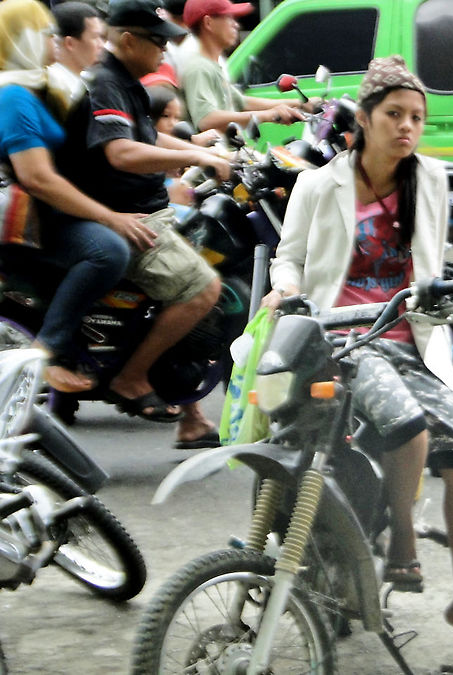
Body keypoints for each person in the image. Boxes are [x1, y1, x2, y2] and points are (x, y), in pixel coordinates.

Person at [262, 56, 453, 674]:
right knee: (407, 425)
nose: (407, 127)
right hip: (341, 343)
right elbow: (289, 258)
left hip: (406, 340)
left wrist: (437, 291)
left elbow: (428, 269)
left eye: (417, 117)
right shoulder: (317, 185)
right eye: (394, 115)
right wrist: (285, 290)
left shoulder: (430, 181)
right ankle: (405, 547)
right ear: (363, 120)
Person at [58, 0, 229, 446]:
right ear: (128, 40)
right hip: (128, 217)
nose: (164, 52)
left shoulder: (126, 83)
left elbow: (145, 135)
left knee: (204, 264)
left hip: (154, 208)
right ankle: (131, 378)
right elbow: (121, 152)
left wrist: (197, 144)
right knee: (203, 289)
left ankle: (192, 416)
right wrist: (194, 155)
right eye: (157, 42)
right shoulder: (106, 84)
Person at [0, 0, 147, 393]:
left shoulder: (37, 85)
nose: (52, 40)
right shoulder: (14, 96)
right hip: (28, 222)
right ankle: (47, 353)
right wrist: (110, 217)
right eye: (42, 34)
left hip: (44, 212)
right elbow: (39, 179)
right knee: (108, 251)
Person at [179, 0, 315, 132]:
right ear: (208, 23)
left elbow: (242, 102)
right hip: (218, 153)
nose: (236, 25)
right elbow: (206, 119)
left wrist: (299, 104)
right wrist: (270, 115)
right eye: (229, 18)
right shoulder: (199, 68)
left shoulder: (212, 64)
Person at [49, 1, 105, 96]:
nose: (101, 45)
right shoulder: (55, 91)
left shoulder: (83, 83)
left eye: (101, 37)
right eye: (95, 37)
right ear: (70, 43)